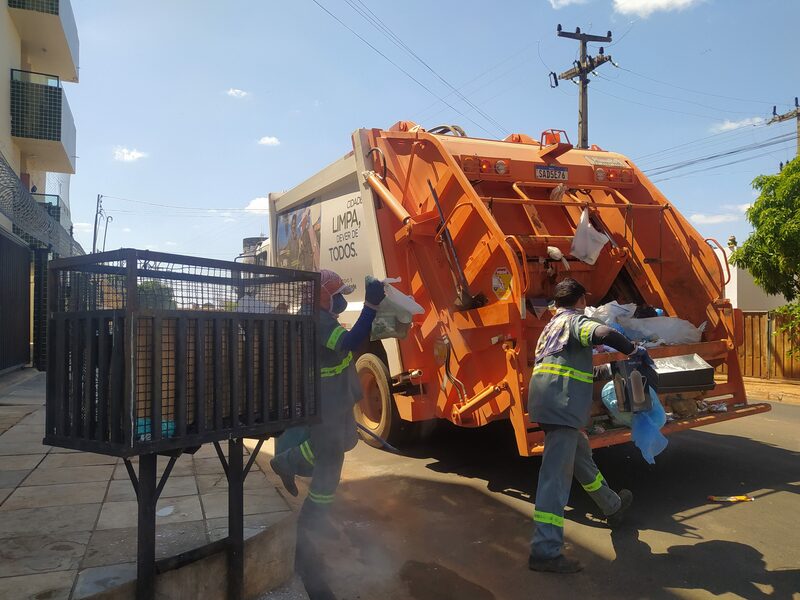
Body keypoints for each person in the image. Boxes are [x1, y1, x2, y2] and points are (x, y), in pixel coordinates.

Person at [528, 278, 648, 574]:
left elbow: (567, 365)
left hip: (549, 404)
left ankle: (612, 506)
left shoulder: (551, 326)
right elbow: (604, 332)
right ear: (581, 299)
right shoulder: (574, 321)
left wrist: (604, 370)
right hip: (562, 406)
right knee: (555, 478)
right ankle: (545, 551)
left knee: (582, 460)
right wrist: (633, 350)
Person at [270, 269, 385, 534]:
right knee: (329, 460)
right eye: (337, 295)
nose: (342, 300)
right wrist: (370, 307)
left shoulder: (322, 317)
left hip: (338, 396)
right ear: (321, 296)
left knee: (344, 441)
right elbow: (348, 343)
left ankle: (289, 466)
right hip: (326, 398)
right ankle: (313, 521)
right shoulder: (316, 320)